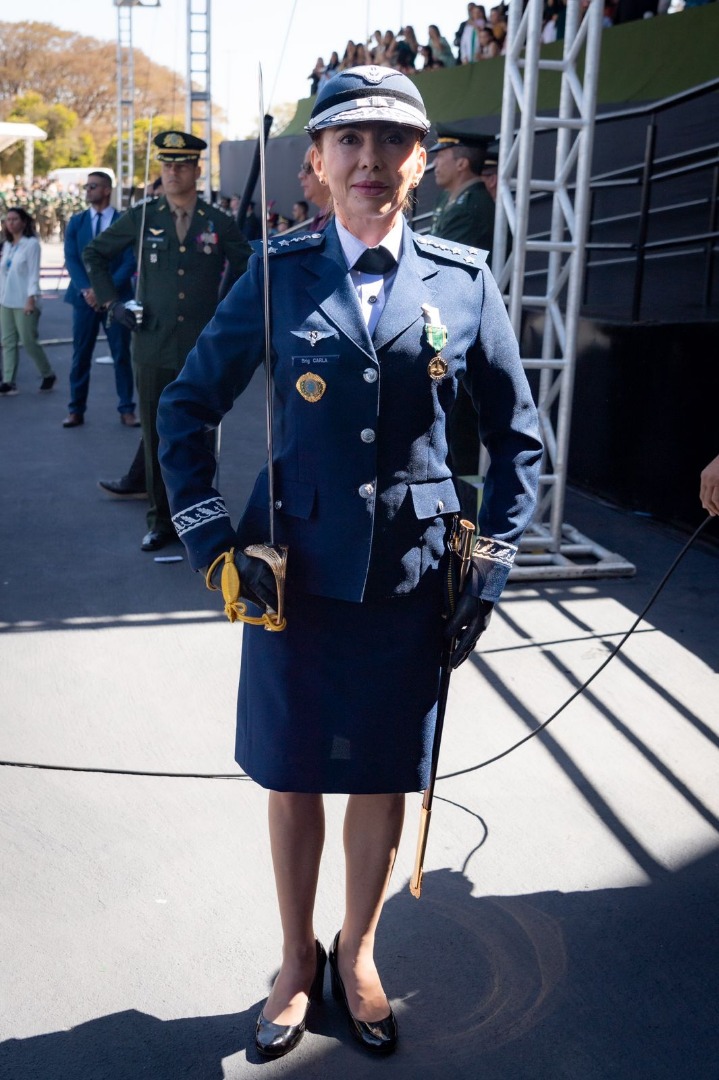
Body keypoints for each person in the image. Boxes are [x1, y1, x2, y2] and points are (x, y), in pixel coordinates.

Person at [157, 67, 542, 1059]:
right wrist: (214, 547)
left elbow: (518, 440)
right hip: (293, 581)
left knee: (381, 774)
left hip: (410, 581)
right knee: (292, 775)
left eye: (391, 141)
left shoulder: (462, 280)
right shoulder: (277, 272)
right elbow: (185, 406)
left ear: (419, 160)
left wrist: (490, 568)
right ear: (319, 162)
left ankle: (357, 951)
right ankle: (295, 958)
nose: (369, 159)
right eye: (348, 141)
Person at [84, 131, 252, 552]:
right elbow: (95, 254)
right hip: (152, 344)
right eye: (167, 164)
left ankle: (202, 521)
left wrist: (232, 313)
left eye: (182, 165)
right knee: (157, 435)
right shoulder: (143, 217)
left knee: (202, 438)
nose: (173, 172)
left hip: (203, 348)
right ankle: (161, 520)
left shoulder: (216, 221)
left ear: (197, 170)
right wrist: (113, 304)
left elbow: (250, 269)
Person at [430, 127, 499, 478]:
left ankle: (465, 503)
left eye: (442, 156)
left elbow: (444, 272)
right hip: (449, 322)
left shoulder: (471, 207)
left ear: (461, 163)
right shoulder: (454, 200)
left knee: (459, 433)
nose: (435, 163)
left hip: (460, 326)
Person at [62, 171, 138, 429]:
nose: (88, 190)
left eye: (92, 186)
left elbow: (130, 260)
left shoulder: (123, 221)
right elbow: (72, 259)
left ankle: (127, 409)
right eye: (86, 186)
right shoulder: (77, 222)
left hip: (115, 299)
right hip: (84, 299)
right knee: (80, 355)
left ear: (106, 190)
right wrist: (88, 290)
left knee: (121, 355)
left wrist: (104, 292)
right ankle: (75, 409)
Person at [0, 207, 57, 396]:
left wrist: (31, 298)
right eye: (8, 219)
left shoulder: (31, 245)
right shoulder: (7, 245)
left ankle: (47, 373)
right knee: (8, 341)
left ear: (24, 222)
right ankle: (8, 381)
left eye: (15, 219)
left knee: (28, 340)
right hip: (6, 300)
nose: (10, 223)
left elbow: (33, 274)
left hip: (24, 300)